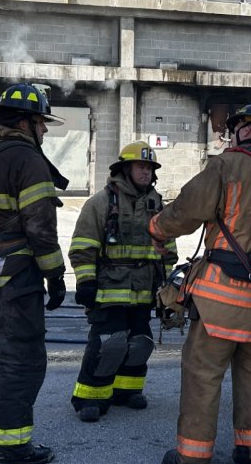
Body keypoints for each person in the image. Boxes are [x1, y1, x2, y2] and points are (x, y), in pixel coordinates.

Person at [149, 103, 251, 464]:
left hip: (221, 298)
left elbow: (187, 210)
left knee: (203, 373)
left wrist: (157, 229)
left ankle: (192, 457)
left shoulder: (227, 165)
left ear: (243, 130)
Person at [0, 83, 68, 464]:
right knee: (19, 362)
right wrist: (55, 275)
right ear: (26, 122)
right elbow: (40, 226)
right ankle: (12, 447)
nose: (44, 131)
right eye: (42, 123)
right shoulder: (26, 160)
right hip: (16, 280)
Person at [69, 141, 176, 422]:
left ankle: (126, 390)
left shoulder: (157, 205)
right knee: (110, 343)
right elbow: (82, 246)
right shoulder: (101, 203)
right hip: (108, 288)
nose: (146, 171)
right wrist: (85, 282)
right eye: (141, 166)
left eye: (150, 167)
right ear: (125, 169)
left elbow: (168, 249)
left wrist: (166, 285)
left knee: (140, 342)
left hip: (143, 288)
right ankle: (89, 396)